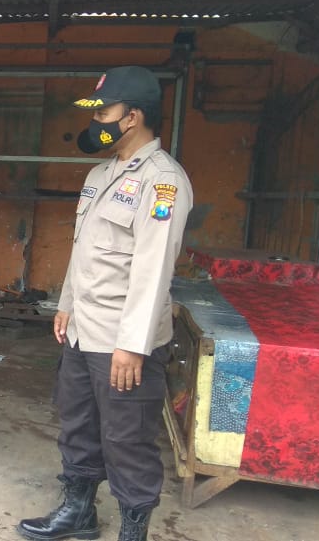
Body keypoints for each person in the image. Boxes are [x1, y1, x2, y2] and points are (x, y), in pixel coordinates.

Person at [17, 66, 193, 541]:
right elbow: (84, 249)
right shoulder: (100, 173)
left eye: (104, 114)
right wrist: (66, 304)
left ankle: (133, 531)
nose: (96, 124)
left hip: (122, 340)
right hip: (83, 331)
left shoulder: (163, 182)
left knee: (126, 439)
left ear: (132, 117)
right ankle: (79, 514)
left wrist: (132, 345)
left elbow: (153, 270)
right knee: (77, 425)